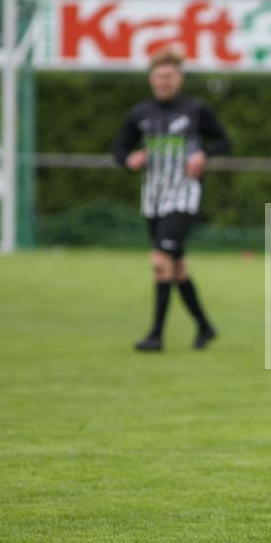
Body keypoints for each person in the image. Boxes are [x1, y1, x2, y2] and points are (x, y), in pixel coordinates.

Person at [113, 48, 231, 352]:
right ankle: (205, 328)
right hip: (153, 198)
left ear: (179, 78)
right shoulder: (141, 113)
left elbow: (223, 141)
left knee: (159, 262)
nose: (162, 82)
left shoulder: (195, 110)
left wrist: (204, 154)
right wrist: (130, 157)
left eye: (168, 76)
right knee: (176, 269)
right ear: (151, 79)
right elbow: (119, 149)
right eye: (157, 77)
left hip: (184, 196)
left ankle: (155, 336)